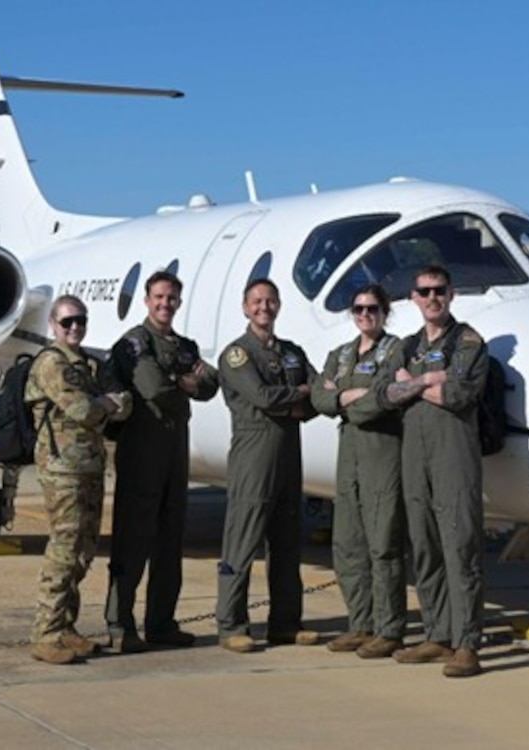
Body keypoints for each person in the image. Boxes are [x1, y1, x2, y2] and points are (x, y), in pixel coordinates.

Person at [378, 265, 489, 678]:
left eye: (438, 290)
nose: (431, 298)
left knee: (460, 545)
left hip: (453, 454)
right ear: (413, 298)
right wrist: (431, 380)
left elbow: (460, 393)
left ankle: (467, 642)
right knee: (423, 545)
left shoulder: (468, 342)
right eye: (424, 292)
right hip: (414, 454)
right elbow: (389, 392)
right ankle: (437, 633)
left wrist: (415, 383)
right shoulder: (406, 345)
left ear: (451, 294)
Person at [104, 271, 219, 653]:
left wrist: (185, 381)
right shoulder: (134, 344)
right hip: (142, 449)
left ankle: (161, 623)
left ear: (178, 303)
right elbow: (153, 387)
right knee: (133, 539)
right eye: (158, 297)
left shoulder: (185, 345)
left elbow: (210, 385)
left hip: (173, 450)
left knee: (170, 540)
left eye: (171, 298)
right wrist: (185, 380)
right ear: (147, 300)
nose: (164, 304)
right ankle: (120, 625)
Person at [216, 277, 319, 652]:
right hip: (253, 458)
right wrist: (297, 398)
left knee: (287, 545)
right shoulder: (237, 355)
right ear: (245, 308)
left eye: (270, 301)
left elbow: (318, 395)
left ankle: (286, 623)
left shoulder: (292, 352)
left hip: (289, 458)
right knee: (242, 543)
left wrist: (295, 401)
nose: (264, 307)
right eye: (257, 301)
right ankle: (231, 625)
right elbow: (261, 396)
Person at [27, 295, 131, 665]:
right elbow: (85, 409)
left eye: (80, 321)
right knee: (65, 547)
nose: (74, 328)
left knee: (84, 550)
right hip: (63, 471)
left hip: (88, 466)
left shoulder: (84, 365)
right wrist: (106, 404)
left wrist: (107, 404)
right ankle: (45, 632)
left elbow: (122, 404)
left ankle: (64, 626)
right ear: (53, 325)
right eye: (67, 322)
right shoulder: (53, 364)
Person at [311, 284, 408, 660]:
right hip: (349, 453)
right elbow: (320, 397)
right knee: (348, 543)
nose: (365, 315)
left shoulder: (396, 348)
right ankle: (360, 623)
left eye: (372, 309)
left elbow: (383, 397)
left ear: (385, 312)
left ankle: (389, 629)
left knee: (383, 543)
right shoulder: (342, 353)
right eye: (358, 309)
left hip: (382, 451)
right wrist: (347, 397)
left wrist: (345, 399)